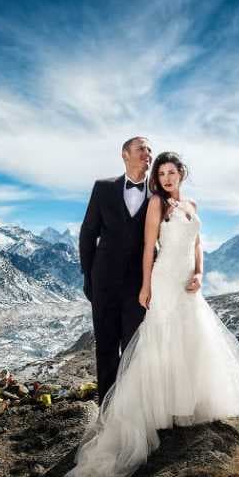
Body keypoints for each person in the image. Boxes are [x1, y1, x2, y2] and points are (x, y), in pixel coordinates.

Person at [65, 151, 239, 477]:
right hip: (165, 280)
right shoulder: (156, 204)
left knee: (191, 339)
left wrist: (200, 273)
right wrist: (146, 286)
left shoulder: (192, 205)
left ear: (181, 173)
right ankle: (158, 409)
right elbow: (148, 248)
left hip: (187, 284)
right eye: (161, 173)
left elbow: (198, 245)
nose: (165, 178)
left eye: (170, 172)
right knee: (161, 340)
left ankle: (186, 404)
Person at [78, 136, 154, 405]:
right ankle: (108, 411)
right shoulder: (103, 188)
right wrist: (88, 277)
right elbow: (88, 234)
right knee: (107, 348)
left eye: (149, 149)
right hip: (104, 282)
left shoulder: (157, 194)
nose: (148, 153)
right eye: (141, 148)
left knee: (134, 348)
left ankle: (131, 409)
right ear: (125, 154)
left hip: (138, 287)